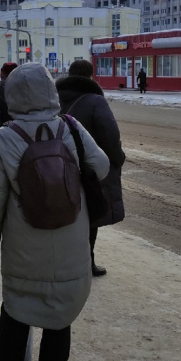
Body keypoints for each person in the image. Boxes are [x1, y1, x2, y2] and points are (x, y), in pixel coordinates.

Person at [0, 63, 110, 361]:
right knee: (60, 319)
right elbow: (102, 166)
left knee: (17, 312)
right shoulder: (70, 126)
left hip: (24, 243)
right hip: (70, 235)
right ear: (50, 91)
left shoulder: (5, 136)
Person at [56, 59, 126, 277]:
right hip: (88, 170)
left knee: (63, 212)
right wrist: (117, 159)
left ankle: (64, 260)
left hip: (58, 166)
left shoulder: (54, 99)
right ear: (90, 76)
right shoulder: (95, 100)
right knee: (90, 215)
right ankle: (87, 262)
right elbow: (110, 136)